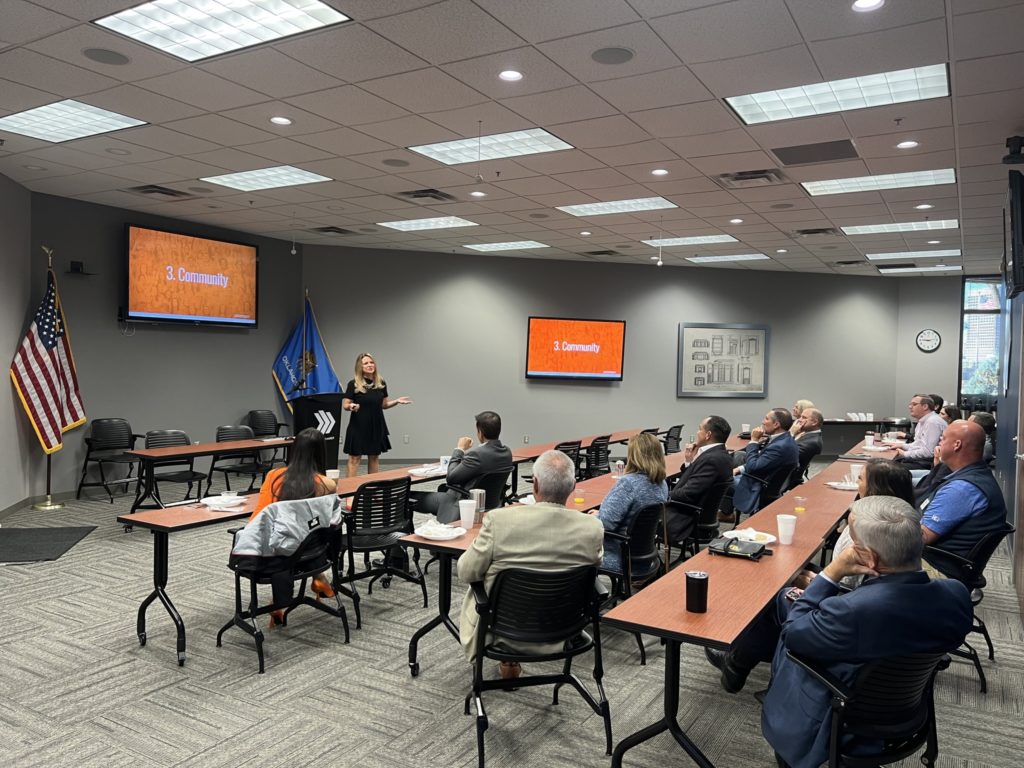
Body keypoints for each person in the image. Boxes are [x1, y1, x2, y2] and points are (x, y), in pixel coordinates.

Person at [758, 497, 972, 768]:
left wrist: (830, 574)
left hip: (845, 711)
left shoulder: (851, 612)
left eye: (853, 542)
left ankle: (740, 666)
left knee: (784, 602)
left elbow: (794, 634)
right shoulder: (956, 594)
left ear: (869, 557)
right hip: (907, 708)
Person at [457, 450, 603, 677]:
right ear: (573, 486)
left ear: (534, 484)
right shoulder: (593, 527)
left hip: (502, 631)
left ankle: (508, 660)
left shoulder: (499, 520)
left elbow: (466, 572)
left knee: (487, 579)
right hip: (563, 631)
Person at [249, 427, 338, 618]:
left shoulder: (274, 476)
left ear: (295, 449)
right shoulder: (326, 484)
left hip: (276, 552)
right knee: (315, 531)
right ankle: (319, 576)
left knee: (286, 537)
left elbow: (261, 514)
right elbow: (326, 522)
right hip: (312, 552)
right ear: (321, 452)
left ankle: (278, 603)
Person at [919, 419, 1008, 577]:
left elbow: (921, 537)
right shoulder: (975, 475)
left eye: (943, 438)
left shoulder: (962, 489)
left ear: (957, 445)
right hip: (945, 560)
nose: (939, 441)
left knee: (868, 550)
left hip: (938, 568)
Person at [414, 410, 513, 523]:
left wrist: (459, 449)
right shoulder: (507, 452)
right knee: (442, 489)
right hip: (491, 502)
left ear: (480, 432)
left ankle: (404, 535)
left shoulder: (477, 454)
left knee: (408, 497)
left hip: (464, 502)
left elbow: (451, 478)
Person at [596, 432, 668, 577]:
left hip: (618, 556)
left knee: (572, 552)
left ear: (634, 456)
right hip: (646, 557)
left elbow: (604, 525)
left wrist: (593, 517)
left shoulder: (628, 484)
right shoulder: (662, 483)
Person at [664, 415, 733, 542]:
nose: (697, 432)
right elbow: (696, 481)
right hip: (697, 512)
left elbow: (688, 493)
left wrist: (663, 495)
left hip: (685, 518)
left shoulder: (711, 459)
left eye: (699, 429)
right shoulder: (720, 454)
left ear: (708, 435)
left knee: (639, 516)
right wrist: (689, 462)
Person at [342, 352, 411, 477]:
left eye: (371, 362)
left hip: (376, 425)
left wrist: (396, 401)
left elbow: (384, 405)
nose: (370, 365)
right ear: (360, 367)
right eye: (366, 363)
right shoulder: (354, 384)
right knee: (354, 459)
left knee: (374, 458)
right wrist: (351, 406)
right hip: (358, 426)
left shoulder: (381, 383)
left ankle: (372, 490)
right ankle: (349, 493)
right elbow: (345, 405)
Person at [727, 408, 798, 521]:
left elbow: (753, 467)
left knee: (718, 479)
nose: (763, 422)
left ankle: (720, 515)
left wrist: (754, 440)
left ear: (776, 424)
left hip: (758, 486)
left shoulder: (779, 446)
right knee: (737, 458)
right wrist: (739, 469)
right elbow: (763, 462)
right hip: (766, 481)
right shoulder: (785, 439)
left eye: (766, 418)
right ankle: (726, 513)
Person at [894, 394, 945, 470]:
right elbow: (918, 444)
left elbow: (928, 452)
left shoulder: (932, 422)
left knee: (890, 469)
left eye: (914, 404)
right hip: (923, 460)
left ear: (925, 406)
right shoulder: (923, 421)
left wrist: (904, 454)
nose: (910, 407)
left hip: (929, 463)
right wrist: (902, 446)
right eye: (910, 404)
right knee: (891, 463)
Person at [788, 407, 823, 488]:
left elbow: (785, 456)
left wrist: (791, 433)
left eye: (804, 417)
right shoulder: (807, 435)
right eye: (800, 417)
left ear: (814, 422)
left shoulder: (812, 442)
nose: (799, 420)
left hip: (787, 480)